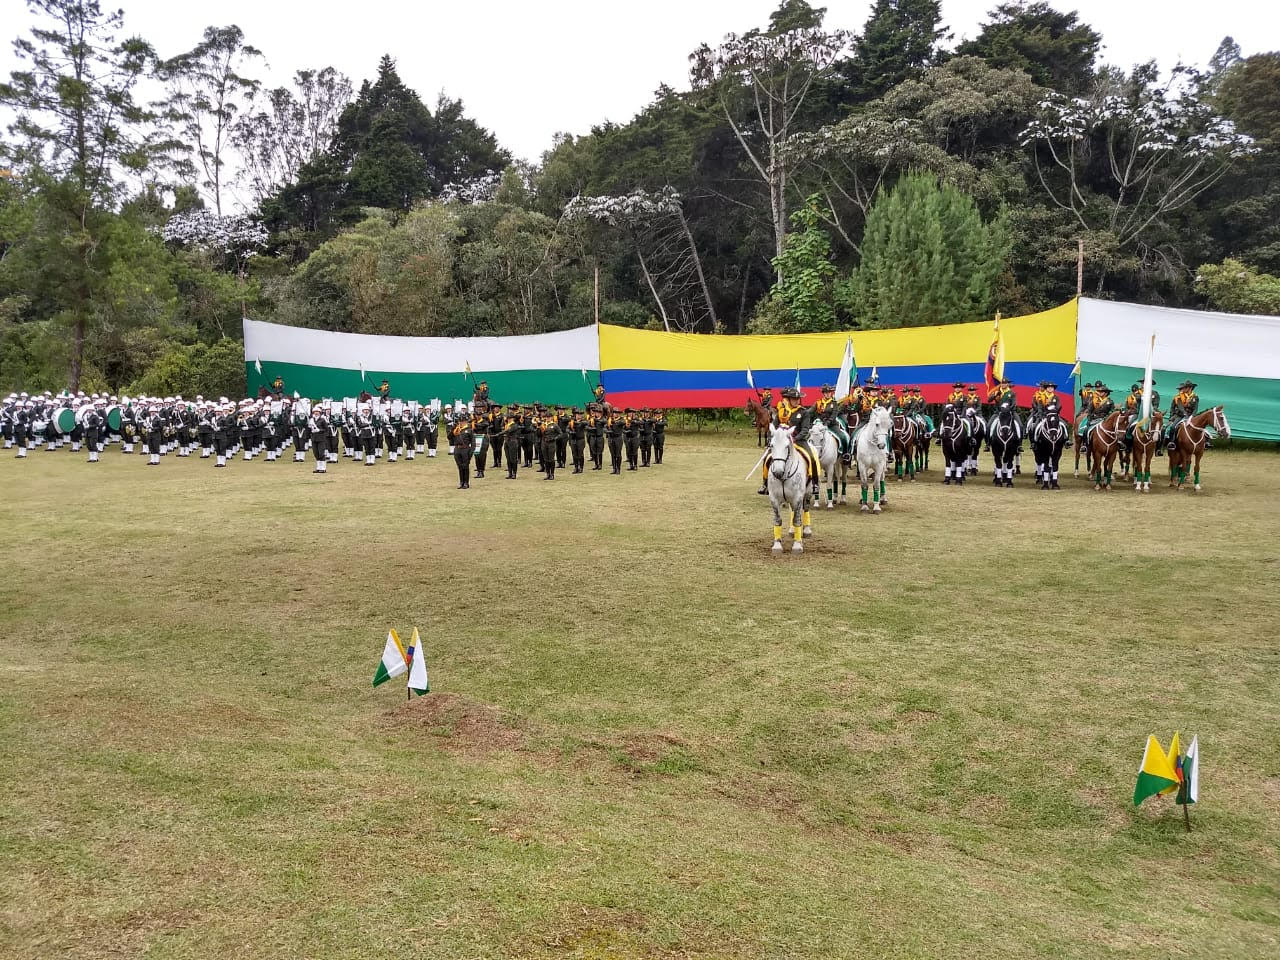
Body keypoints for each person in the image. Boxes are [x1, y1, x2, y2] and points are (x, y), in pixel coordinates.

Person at [1165, 379, 1200, 451]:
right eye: (1184, 387)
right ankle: (1172, 442)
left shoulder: (1195, 397)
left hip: (1191, 415)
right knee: (1173, 427)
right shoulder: (1180, 396)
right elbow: (1180, 407)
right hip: (1181, 415)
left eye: (1186, 387)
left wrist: (1192, 416)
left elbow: (1195, 408)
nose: (1184, 388)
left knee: (1200, 426)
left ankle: (1203, 442)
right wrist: (1184, 414)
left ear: (1190, 388)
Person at [450, 410, 475, 488]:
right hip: (457, 449)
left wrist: (471, 452)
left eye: (462, 421)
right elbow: (449, 437)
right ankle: (461, 482)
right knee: (460, 466)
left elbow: (473, 442)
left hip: (465, 449)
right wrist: (452, 430)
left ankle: (466, 483)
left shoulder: (469, 430)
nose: (461, 423)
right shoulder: (456, 430)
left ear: (465, 422)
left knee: (465, 466)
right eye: (460, 421)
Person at [538, 406, 560, 480]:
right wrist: (538, 428)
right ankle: (547, 474)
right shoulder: (543, 425)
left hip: (551, 443)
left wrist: (555, 438)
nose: (547, 418)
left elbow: (560, 433)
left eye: (549, 417)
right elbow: (539, 434)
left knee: (551, 459)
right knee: (546, 459)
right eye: (546, 417)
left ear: (551, 418)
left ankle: (552, 474)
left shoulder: (554, 425)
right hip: (544, 443)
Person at [502, 404, 523, 479]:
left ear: (513, 418)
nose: (508, 419)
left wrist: (500, 433)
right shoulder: (507, 425)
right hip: (507, 441)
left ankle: (514, 473)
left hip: (513, 442)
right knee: (508, 458)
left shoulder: (514, 425)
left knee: (513, 458)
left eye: (510, 418)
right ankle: (510, 473)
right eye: (508, 418)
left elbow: (508, 431)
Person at [309, 403, 331, 473]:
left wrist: (319, 430)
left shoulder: (322, 420)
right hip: (314, 438)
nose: (316, 413)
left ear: (320, 413)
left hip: (321, 439)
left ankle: (323, 468)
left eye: (317, 412)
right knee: (316, 453)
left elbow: (326, 429)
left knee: (321, 453)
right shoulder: (311, 420)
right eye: (315, 412)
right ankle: (318, 467)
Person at [586, 402, 605, 470]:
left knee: (600, 451)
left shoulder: (602, 419)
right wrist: (591, 428)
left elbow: (604, 422)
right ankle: (596, 464)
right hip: (593, 437)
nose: (597, 413)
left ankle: (600, 464)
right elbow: (587, 427)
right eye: (596, 412)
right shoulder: (591, 419)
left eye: (598, 412)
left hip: (599, 437)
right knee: (594, 451)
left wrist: (597, 420)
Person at [606, 406, 625, 474]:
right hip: (611, 438)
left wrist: (614, 422)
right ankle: (614, 468)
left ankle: (618, 469)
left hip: (618, 438)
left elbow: (623, 422)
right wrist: (607, 431)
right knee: (613, 454)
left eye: (617, 413)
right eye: (615, 412)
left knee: (618, 454)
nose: (616, 414)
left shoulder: (621, 419)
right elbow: (605, 427)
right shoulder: (609, 419)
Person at [568, 407, 587, 473]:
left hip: (580, 440)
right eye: (577, 415)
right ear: (575, 415)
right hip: (573, 439)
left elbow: (587, 424)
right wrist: (570, 432)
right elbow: (567, 429)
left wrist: (579, 423)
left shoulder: (583, 422)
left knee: (580, 454)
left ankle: (581, 467)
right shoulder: (572, 422)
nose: (578, 416)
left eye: (580, 415)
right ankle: (576, 467)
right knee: (574, 454)